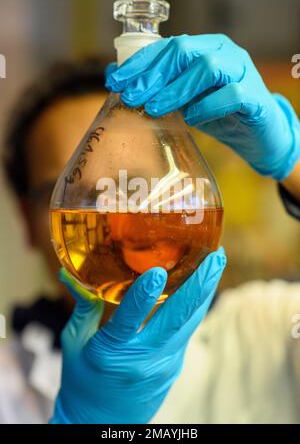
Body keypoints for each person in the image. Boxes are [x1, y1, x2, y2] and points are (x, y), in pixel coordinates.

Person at [1, 34, 300, 423]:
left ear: (186, 186)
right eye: (72, 191)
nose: (115, 220)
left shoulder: (272, 327)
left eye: (135, 187)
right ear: (27, 220)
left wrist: (294, 166)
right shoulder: (8, 380)